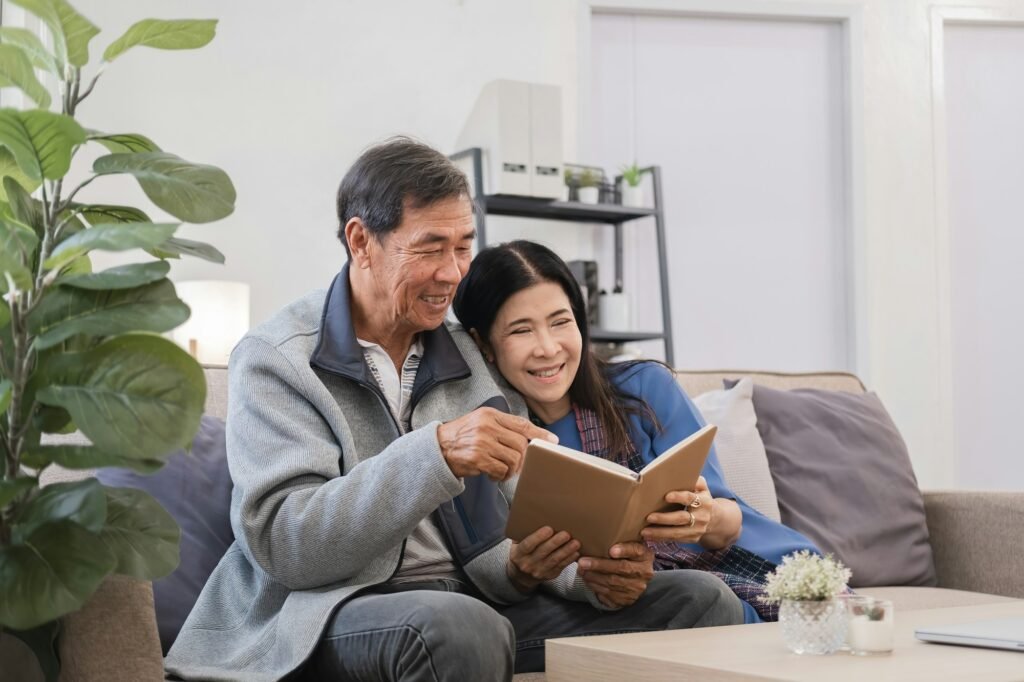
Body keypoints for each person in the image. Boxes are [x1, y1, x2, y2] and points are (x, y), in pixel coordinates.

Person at [165, 139, 744, 681]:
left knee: (699, 599)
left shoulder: (467, 353)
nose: (452, 272)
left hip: (471, 606)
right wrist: (435, 452)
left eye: (464, 245)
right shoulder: (278, 361)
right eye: (430, 248)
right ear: (360, 241)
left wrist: (576, 574)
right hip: (320, 614)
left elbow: (519, 517)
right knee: (458, 624)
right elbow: (287, 547)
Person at [452, 239, 823, 624]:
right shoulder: (494, 439)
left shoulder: (645, 387)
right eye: (521, 330)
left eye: (561, 322)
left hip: (756, 565)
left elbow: (730, 520)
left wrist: (700, 515)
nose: (548, 348)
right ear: (484, 345)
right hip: (660, 598)